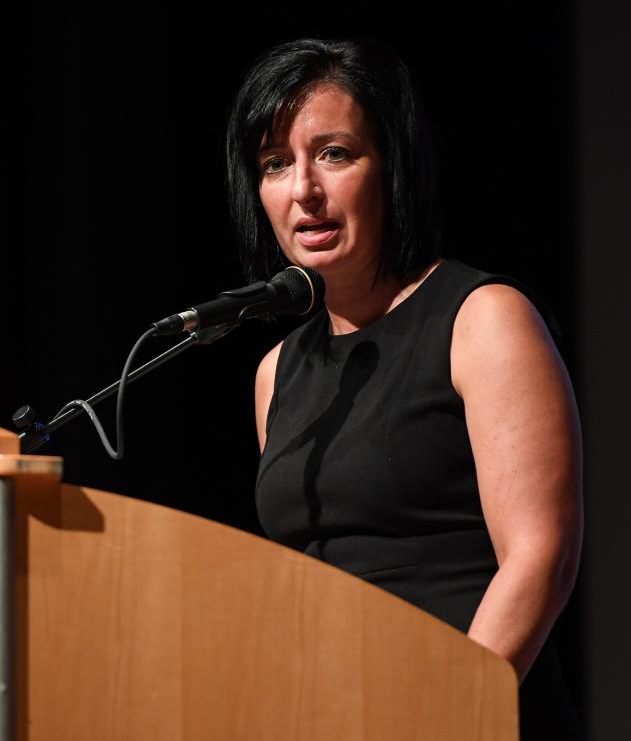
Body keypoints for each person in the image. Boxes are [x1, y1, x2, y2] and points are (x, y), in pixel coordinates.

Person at [226, 38, 584, 739]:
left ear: (391, 167)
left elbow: (542, 554)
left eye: (334, 154)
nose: (303, 190)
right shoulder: (276, 371)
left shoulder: (481, 319)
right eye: (275, 164)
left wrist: (451, 710)